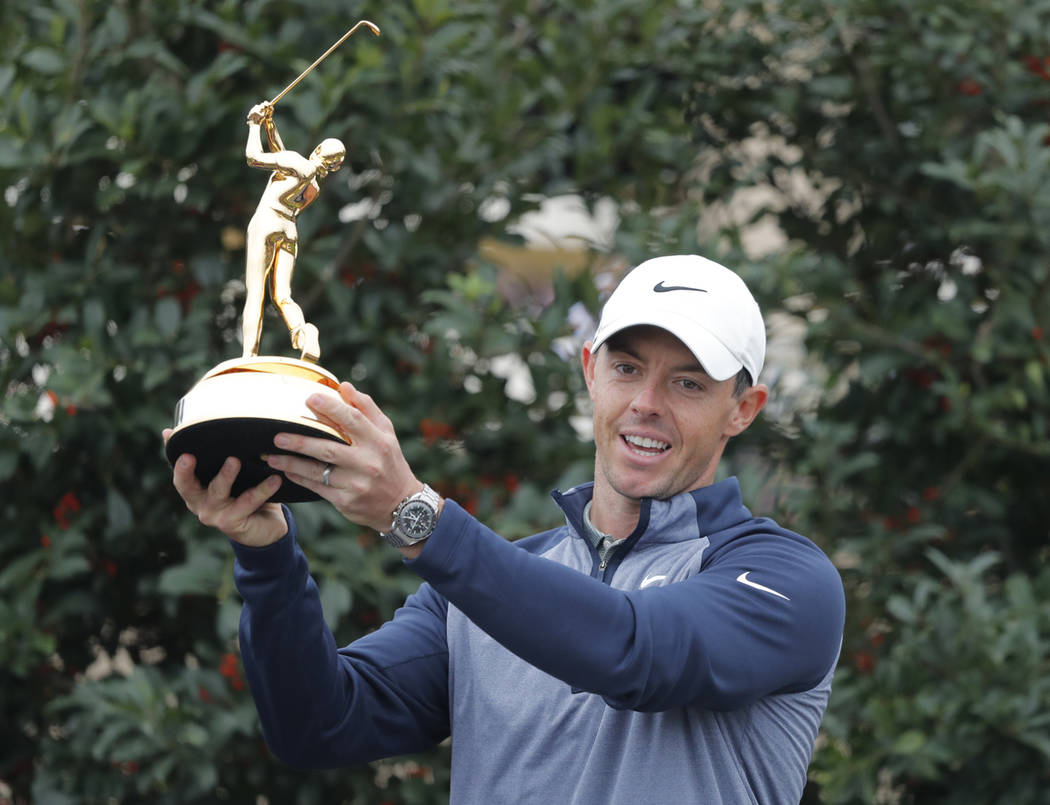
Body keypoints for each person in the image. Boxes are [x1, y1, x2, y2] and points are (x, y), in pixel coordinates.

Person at [167, 254, 845, 804]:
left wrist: (417, 516)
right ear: (589, 370)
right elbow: (320, 726)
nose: (644, 404)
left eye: (689, 384)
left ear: (743, 409)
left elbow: (632, 652)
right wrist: (266, 556)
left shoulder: (786, 579)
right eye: (627, 367)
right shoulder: (480, 589)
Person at [240, 101, 346, 363]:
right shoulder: (314, 187)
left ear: (318, 149)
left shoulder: (297, 163)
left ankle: (248, 356)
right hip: (290, 231)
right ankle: (302, 331)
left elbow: (254, 157)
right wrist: (270, 124)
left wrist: (254, 125)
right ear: (334, 167)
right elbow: (283, 158)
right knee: (283, 295)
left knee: (256, 291)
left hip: (267, 223)